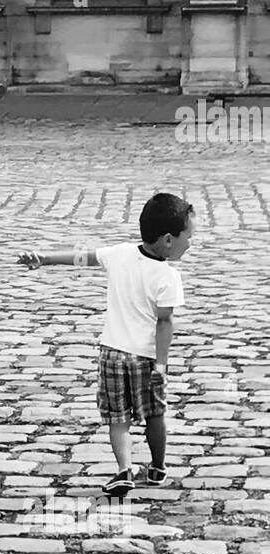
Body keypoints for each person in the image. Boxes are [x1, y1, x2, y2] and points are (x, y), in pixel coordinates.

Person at [18, 191, 194, 498]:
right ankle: (157, 467)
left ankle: (124, 469)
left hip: (111, 354)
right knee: (155, 414)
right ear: (168, 240)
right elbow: (164, 323)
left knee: (117, 418)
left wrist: (45, 259)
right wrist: (162, 364)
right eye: (187, 237)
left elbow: (83, 257)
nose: (189, 244)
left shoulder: (120, 253)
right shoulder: (168, 276)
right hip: (146, 359)